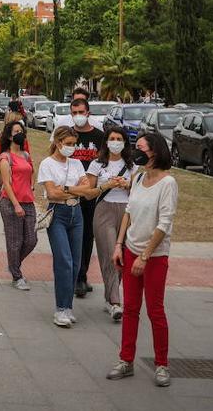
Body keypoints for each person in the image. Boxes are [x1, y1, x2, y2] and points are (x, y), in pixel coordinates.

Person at [107, 133, 178, 389]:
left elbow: (164, 223)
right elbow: (128, 212)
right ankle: (126, 360)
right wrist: (119, 244)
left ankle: (161, 364)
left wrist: (145, 256)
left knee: (155, 310)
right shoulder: (137, 177)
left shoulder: (168, 183)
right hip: (130, 250)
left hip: (154, 256)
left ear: (155, 152)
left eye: (140, 148)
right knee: (130, 309)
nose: (135, 152)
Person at [78, 126, 136, 322]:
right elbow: (89, 192)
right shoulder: (97, 164)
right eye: (112, 138)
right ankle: (115, 302)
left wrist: (127, 185)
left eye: (119, 138)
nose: (115, 141)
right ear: (106, 141)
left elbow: (138, 194)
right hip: (104, 211)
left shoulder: (131, 166)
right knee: (111, 255)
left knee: (122, 258)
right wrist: (107, 185)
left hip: (126, 212)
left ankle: (109, 297)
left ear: (125, 142)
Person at [37, 125, 88, 328]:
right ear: (58, 143)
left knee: (76, 262)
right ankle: (60, 308)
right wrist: (75, 190)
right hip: (57, 214)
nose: (71, 148)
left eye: (74, 144)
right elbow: (52, 194)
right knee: (64, 260)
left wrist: (67, 189)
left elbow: (87, 189)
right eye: (68, 144)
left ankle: (68, 306)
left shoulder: (76, 164)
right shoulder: (47, 164)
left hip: (77, 214)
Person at [67, 96, 108, 298]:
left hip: (91, 195)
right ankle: (74, 275)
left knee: (86, 237)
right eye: (74, 113)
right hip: (70, 194)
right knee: (71, 235)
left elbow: (106, 163)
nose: (78, 116)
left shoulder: (100, 136)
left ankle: (81, 277)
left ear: (88, 113)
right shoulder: (68, 136)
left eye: (81, 112)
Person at [0, 120, 37, 290]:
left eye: (21, 131)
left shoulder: (26, 155)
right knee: (15, 241)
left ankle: (13, 264)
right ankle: (16, 275)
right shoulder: (5, 157)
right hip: (11, 203)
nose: (19, 133)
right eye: (16, 131)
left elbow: (31, 172)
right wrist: (16, 205)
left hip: (28, 202)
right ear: (9, 135)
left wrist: (32, 186)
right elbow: (6, 183)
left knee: (31, 240)